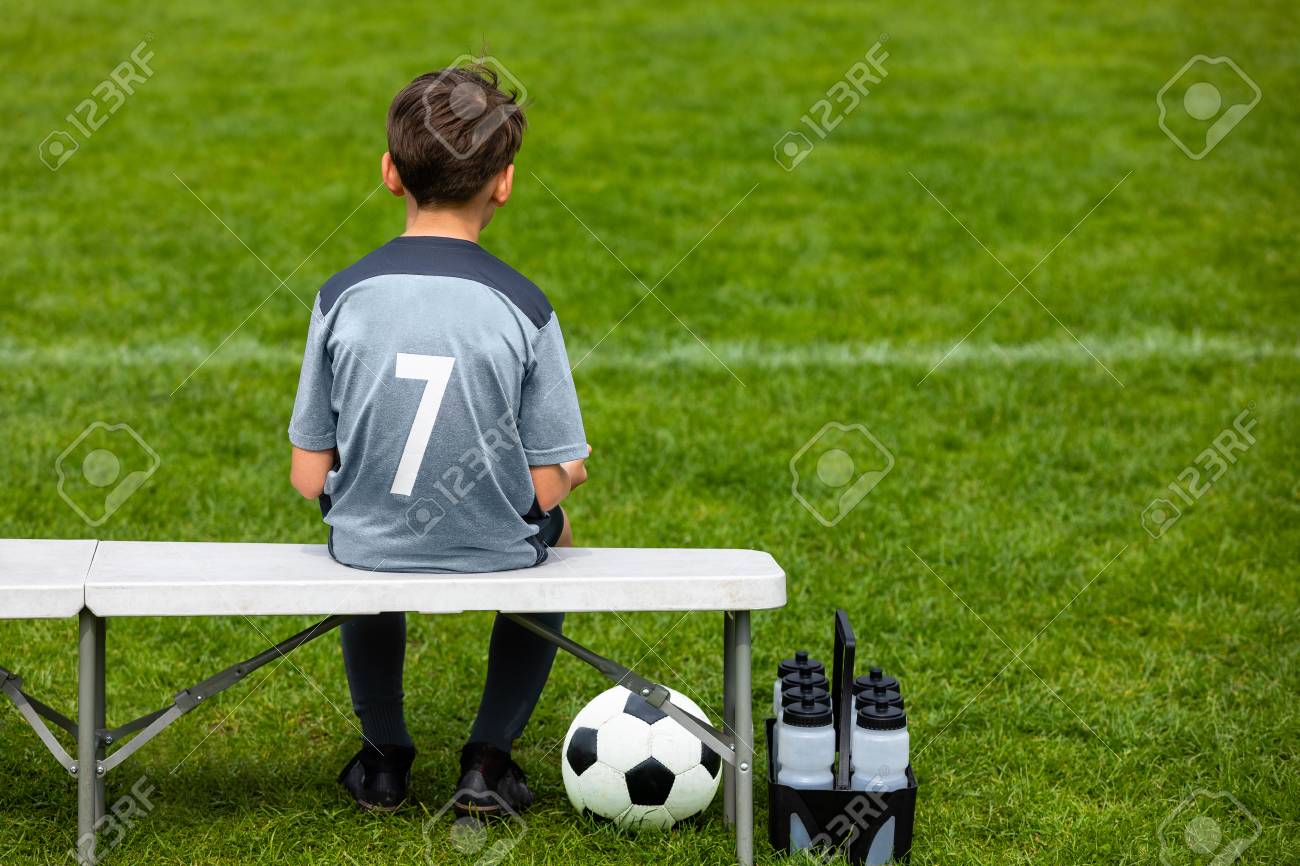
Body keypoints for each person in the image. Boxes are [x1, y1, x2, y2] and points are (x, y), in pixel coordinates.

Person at [286, 64, 589, 817]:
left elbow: (304, 474)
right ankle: (487, 760)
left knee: (364, 533)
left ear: (390, 173)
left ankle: (384, 758)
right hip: (494, 543)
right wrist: (530, 496)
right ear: (505, 184)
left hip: (366, 544)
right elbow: (560, 470)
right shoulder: (524, 306)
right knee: (559, 534)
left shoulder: (341, 294)